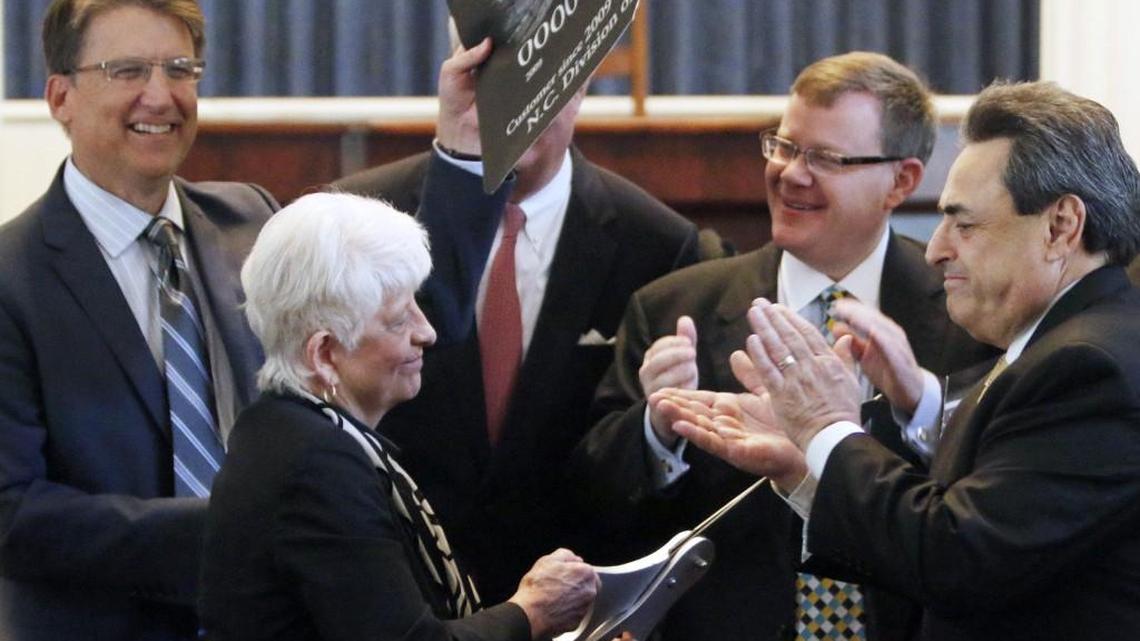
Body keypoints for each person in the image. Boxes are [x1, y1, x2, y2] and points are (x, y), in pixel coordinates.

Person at [659, 80, 1140, 641]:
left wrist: (829, 429)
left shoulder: (1087, 367)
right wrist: (803, 465)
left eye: (964, 224)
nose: (936, 249)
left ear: (1060, 227)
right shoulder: (1065, 343)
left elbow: (956, 559)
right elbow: (945, 528)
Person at [571, 52, 997, 641]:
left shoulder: (967, 317)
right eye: (785, 146)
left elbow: (991, 504)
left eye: (825, 158)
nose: (792, 173)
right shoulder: (676, 306)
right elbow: (589, 498)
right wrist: (657, 429)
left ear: (901, 181)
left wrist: (919, 408)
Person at [331, 37, 707, 602]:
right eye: (491, 74)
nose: (513, 102)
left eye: (536, 77)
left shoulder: (657, 244)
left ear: (580, 82)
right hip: (397, 597)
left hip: (575, 601)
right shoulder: (357, 217)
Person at [199, 193, 598, 641]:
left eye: (416, 304)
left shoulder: (289, 432)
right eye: (396, 320)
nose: (426, 331)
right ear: (325, 353)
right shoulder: (316, 465)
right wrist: (532, 612)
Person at [0, 1, 277, 639]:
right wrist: (227, 531)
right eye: (127, 70)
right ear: (60, 96)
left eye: (180, 69)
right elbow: (12, 512)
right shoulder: (12, 280)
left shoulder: (254, 224)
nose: (161, 96)